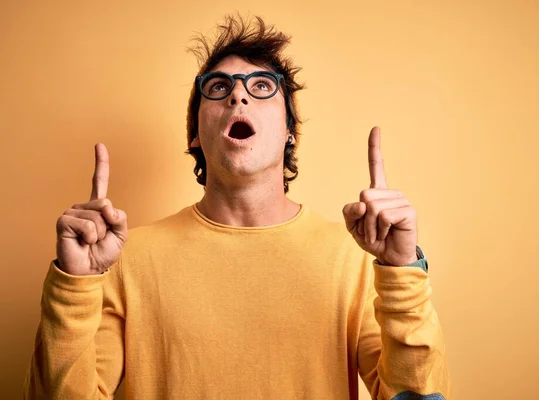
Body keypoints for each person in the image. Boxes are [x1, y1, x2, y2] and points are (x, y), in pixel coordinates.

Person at [23, 15, 451, 400]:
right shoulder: (125, 259)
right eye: (219, 87)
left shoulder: (354, 259)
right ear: (195, 134)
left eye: (262, 86)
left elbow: (417, 398)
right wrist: (74, 285)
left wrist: (401, 273)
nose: (238, 98)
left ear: (290, 133)